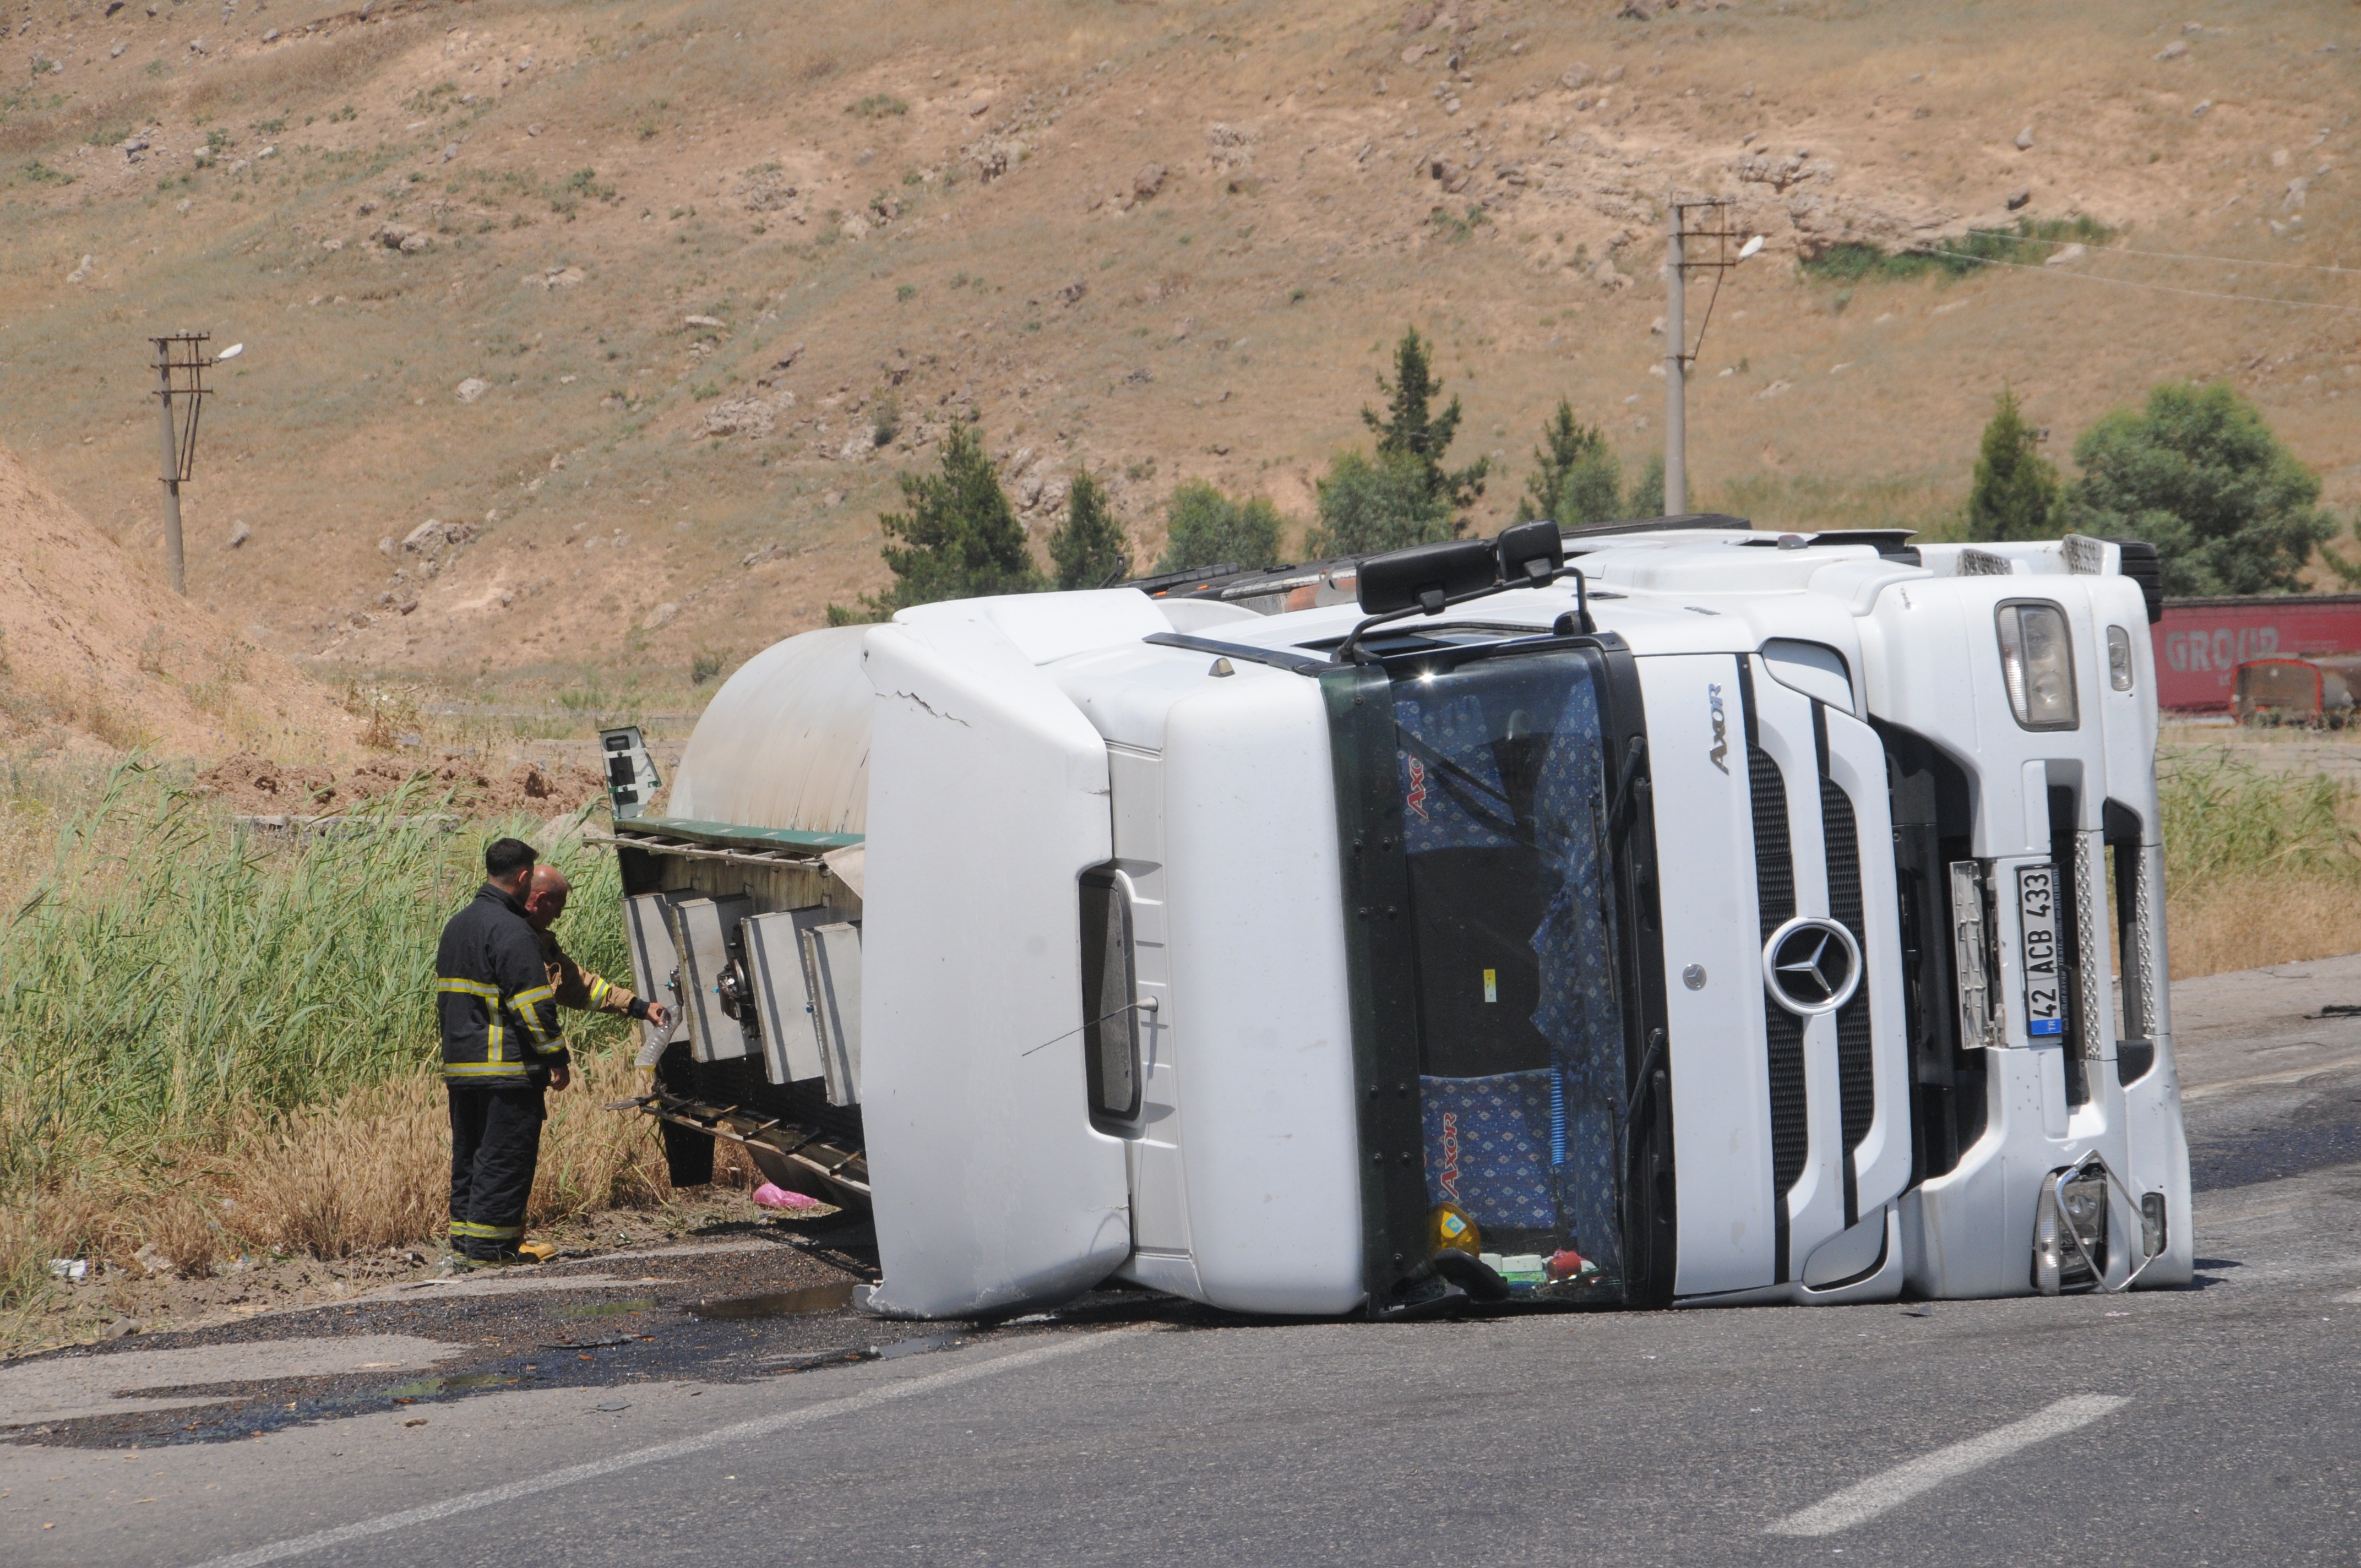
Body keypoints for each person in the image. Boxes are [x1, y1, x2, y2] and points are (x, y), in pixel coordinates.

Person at [436, 837, 567, 1266]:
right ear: (525, 877)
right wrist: (556, 1057)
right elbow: (534, 1007)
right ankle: (492, 1252)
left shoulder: (457, 925)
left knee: (471, 1160)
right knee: (504, 1160)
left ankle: (466, 1247)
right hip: (506, 1072)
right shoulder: (512, 931)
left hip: (462, 1069)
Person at [522, 863, 672, 1034]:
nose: (558, 916)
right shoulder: (511, 940)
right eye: (558, 909)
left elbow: (579, 986)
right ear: (539, 900)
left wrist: (639, 1007)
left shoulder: (540, 941)